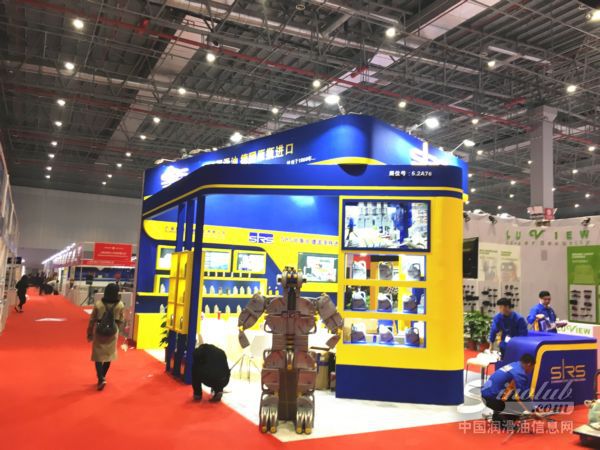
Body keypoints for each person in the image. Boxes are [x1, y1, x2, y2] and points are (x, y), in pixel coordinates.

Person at [86, 283, 126, 390]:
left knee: (98, 356)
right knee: (109, 355)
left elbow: (92, 319)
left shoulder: (99, 304)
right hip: (113, 332)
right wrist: (117, 329)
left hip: (100, 331)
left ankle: (101, 378)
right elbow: (122, 320)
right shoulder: (120, 305)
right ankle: (103, 376)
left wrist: (89, 332)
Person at [481, 353, 536, 425]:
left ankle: (497, 415)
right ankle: (501, 421)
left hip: (485, 394)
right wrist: (533, 411)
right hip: (491, 399)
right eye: (532, 368)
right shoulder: (519, 373)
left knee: (510, 394)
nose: (531, 370)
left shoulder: (515, 365)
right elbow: (523, 395)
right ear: (529, 364)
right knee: (519, 407)